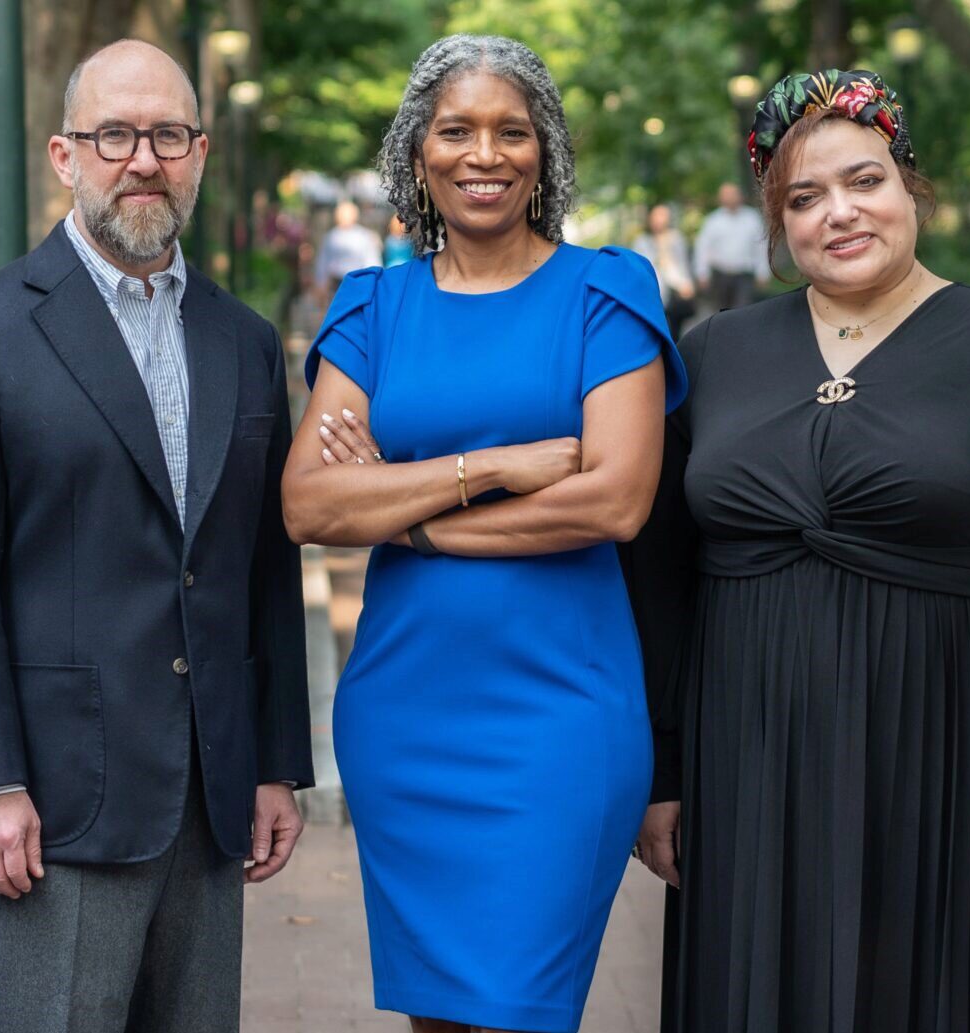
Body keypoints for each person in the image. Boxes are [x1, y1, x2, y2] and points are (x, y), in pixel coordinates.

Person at [625, 70, 970, 1032]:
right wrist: (660, 769)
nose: (840, 214)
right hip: (751, 766)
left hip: (958, 763)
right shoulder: (715, 354)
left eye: (864, 181)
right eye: (804, 197)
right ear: (775, 222)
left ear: (911, 185)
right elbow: (660, 578)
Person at [0, 39, 313, 1033]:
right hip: (49, 805)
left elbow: (262, 567)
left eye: (167, 134)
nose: (142, 159)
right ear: (63, 154)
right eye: (114, 134)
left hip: (208, 804)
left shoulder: (245, 341)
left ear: (200, 151)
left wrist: (272, 760)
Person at [287, 35, 683, 1033]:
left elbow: (613, 502)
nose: (484, 153)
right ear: (416, 152)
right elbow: (309, 506)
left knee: (519, 1007)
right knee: (440, 1016)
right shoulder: (372, 306)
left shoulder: (606, 291)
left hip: (560, 715)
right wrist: (493, 468)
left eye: (512, 132)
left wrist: (406, 515)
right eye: (455, 130)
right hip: (405, 712)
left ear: (542, 152)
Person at [692, 181, 767, 314]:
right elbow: (703, 248)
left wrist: (763, 272)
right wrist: (702, 273)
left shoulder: (752, 218)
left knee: (743, 311)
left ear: (740, 196)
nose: (729, 197)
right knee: (720, 312)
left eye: (732, 194)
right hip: (720, 274)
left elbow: (761, 246)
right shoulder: (713, 220)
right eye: (725, 194)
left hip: (744, 275)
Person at [630, 202, 698, 332]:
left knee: (675, 328)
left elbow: (682, 264)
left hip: (675, 290)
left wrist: (686, 283)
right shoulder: (642, 241)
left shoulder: (676, 239)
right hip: (653, 292)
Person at [320, 198, 387, 295]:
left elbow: (372, 260)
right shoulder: (331, 236)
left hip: (357, 282)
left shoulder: (364, 236)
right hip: (336, 283)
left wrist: (374, 281)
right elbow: (323, 261)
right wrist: (321, 283)